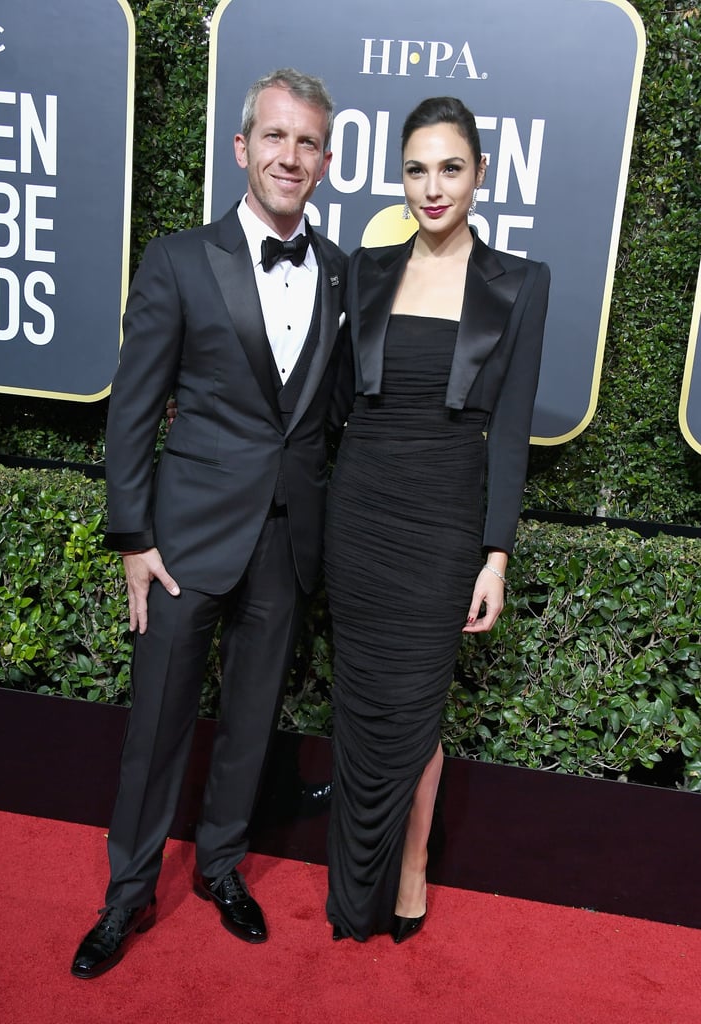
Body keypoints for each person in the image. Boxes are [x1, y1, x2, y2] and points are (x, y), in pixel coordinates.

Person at [70, 68, 348, 979]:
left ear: (326, 160)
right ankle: (127, 896)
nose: (290, 156)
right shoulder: (179, 260)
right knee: (156, 725)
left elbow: (334, 408)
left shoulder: (342, 271)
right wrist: (133, 538)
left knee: (251, 719)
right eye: (275, 136)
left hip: (286, 540)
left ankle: (223, 867)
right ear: (242, 147)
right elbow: (132, 408)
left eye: (307, 142)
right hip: (183, 541)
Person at [324, 96, 550, 943]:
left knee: (418, 713)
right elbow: (336, 404)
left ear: (480, 174)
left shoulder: (521, 282)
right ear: (401, 177)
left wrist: (495, 555)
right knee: (362, 706)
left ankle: (411, 863)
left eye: (450, 167)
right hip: (363, 511)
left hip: (445, 520)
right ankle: (357, 880)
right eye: (416, 168)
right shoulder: (367, 269)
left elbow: (513, 426)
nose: (432, 185)